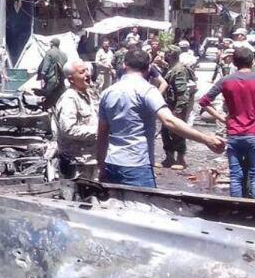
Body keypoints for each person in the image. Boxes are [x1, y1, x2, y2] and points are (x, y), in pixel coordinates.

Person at [96, 49, 224, 188]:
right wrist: (206, 139)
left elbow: (102, 134)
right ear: (148, 68)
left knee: (114, 208)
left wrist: (101, 165)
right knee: (143, 208)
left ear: (124, 66)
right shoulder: (147, 90)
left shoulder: (107, 93)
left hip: (112, 162)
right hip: (137, 165)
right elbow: (169, 121)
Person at [198, 46, 255, 198]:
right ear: (252, 61)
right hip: (253, 134)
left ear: (235, 62)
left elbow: (203, 101)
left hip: (234, 134)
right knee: (254, 174)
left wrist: (221, 117)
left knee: (235, 175)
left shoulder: (226, 81)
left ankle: (236, 208)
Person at [54, 61, 98, 179]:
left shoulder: (88, 94)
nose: (87, 74)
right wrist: (99, 131)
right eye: (82, 72)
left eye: (87, 70)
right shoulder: (69, 99)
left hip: (91, 159)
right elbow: (68, 129)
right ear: (71, 79)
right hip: (77, 163)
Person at [160, 46, 195, 170]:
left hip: (176, 106)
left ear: (171, 54)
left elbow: (182, 93)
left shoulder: (179, 70)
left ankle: (180, 159)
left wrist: (178, 110)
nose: (164, 55)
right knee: (165, 131)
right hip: (169, 105)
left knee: (178, 132)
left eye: (166, 53)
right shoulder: (171, 68)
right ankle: (169, 158)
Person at [37, 38, 68, 110]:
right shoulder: (64, 54)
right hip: (61, 80)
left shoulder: (50, 52)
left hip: (51, 79)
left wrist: (42, 77)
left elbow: (45, 66)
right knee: (57, 99)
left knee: (48, 99)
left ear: (52, 44)